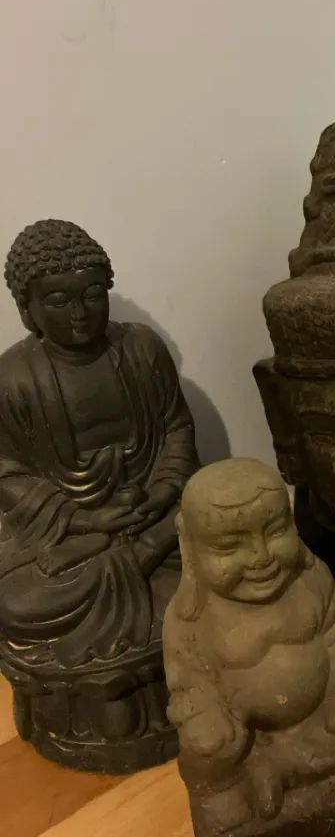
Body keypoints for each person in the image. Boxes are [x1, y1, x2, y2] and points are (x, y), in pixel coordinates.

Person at [0, 219, 199, 771]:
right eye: (58, 301)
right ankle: (147, 555)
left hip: (153, 510)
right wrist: (82, 519)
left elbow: (176, 428)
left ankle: (155, 547)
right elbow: (7, 475)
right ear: (27, 308)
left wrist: (163, 490)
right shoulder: (12, 378)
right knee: (17, 603)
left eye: (92, 295)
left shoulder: (141, 350)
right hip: (72, 534)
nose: (80, 314)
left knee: (227, 537)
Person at [163, 458, 335, 837]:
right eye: (229, 547)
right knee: (207, 749)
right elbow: (187, 682)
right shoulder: (189, 617)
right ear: (191, 548)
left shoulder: (312, 581)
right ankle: (237, 785)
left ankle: (279, 772)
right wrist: (206, 718)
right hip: (243, 738)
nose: (261, 557)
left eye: (274, 532)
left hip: (316, 722)